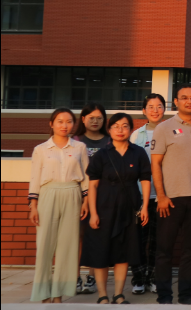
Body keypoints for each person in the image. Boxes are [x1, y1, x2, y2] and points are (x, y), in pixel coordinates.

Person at [151, 83, 191, 305]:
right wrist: (161, 195)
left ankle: (186, 295)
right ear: (176, 102)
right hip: (170, 199)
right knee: (164, 250)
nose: (189, 101)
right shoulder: (164, 128)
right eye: (184, 97)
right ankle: (164, 296)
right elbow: (155, 164)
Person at [82, 113, 152, 305]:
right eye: (116, 126)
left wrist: (145, 207)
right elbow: (92, 186)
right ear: (109, 129)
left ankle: (119, 294)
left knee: (125, 252)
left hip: (129, 207)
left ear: (131, 129)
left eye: (125, 126)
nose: (120, 130)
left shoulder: (138, 153)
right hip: (104, 207)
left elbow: (145, 180)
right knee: (101, 251)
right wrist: (93, 213)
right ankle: (103, 295)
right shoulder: (101, 155)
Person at [28, 108, 90, 303]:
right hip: (48, 194)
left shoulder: (80, 147)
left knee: (68, 246)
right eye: (60, 121)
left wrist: (86, 201)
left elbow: (86, 177)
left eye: (69, 121)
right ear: (52, 124)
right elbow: (35, 178)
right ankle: (43, 293)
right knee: (44, 245)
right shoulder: (40, 149)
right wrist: (33, 205)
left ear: (74, 124)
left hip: (73, 194)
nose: (64, 125)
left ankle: (58, 294)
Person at [130, 94, 166, 295]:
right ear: (144, 110)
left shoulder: (169, 131)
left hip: (161, 196)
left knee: (157, 241)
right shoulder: (137, 135)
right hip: (139, 196)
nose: (155, 110)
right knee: (138, 240)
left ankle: (153, 278)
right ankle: (138, 278)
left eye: (159, 106)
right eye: (150, 107)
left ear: (164, 109)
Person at [74, 102, 111, 295]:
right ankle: (75, 277)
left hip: (102, 197)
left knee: (96, 237)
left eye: (99, 118)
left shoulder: (110, 141)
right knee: (77, 238)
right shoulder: (75, 141)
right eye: (91, 118)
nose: (95, 121)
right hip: (77, 196)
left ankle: (91, 277)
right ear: (83, 119)